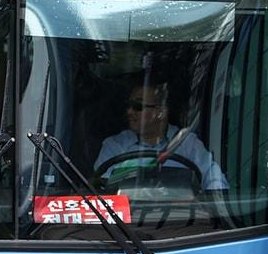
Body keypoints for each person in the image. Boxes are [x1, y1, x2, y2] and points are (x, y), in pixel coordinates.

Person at [94, 82, 229, 191]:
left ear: (160, 112)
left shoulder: (186, 143)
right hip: (125, 222)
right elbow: (101, 192)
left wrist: (215, 204)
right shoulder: (114, 146)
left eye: (137, 106)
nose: (129, 111)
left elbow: (215, 181)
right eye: (128, 105)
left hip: (183, 222)